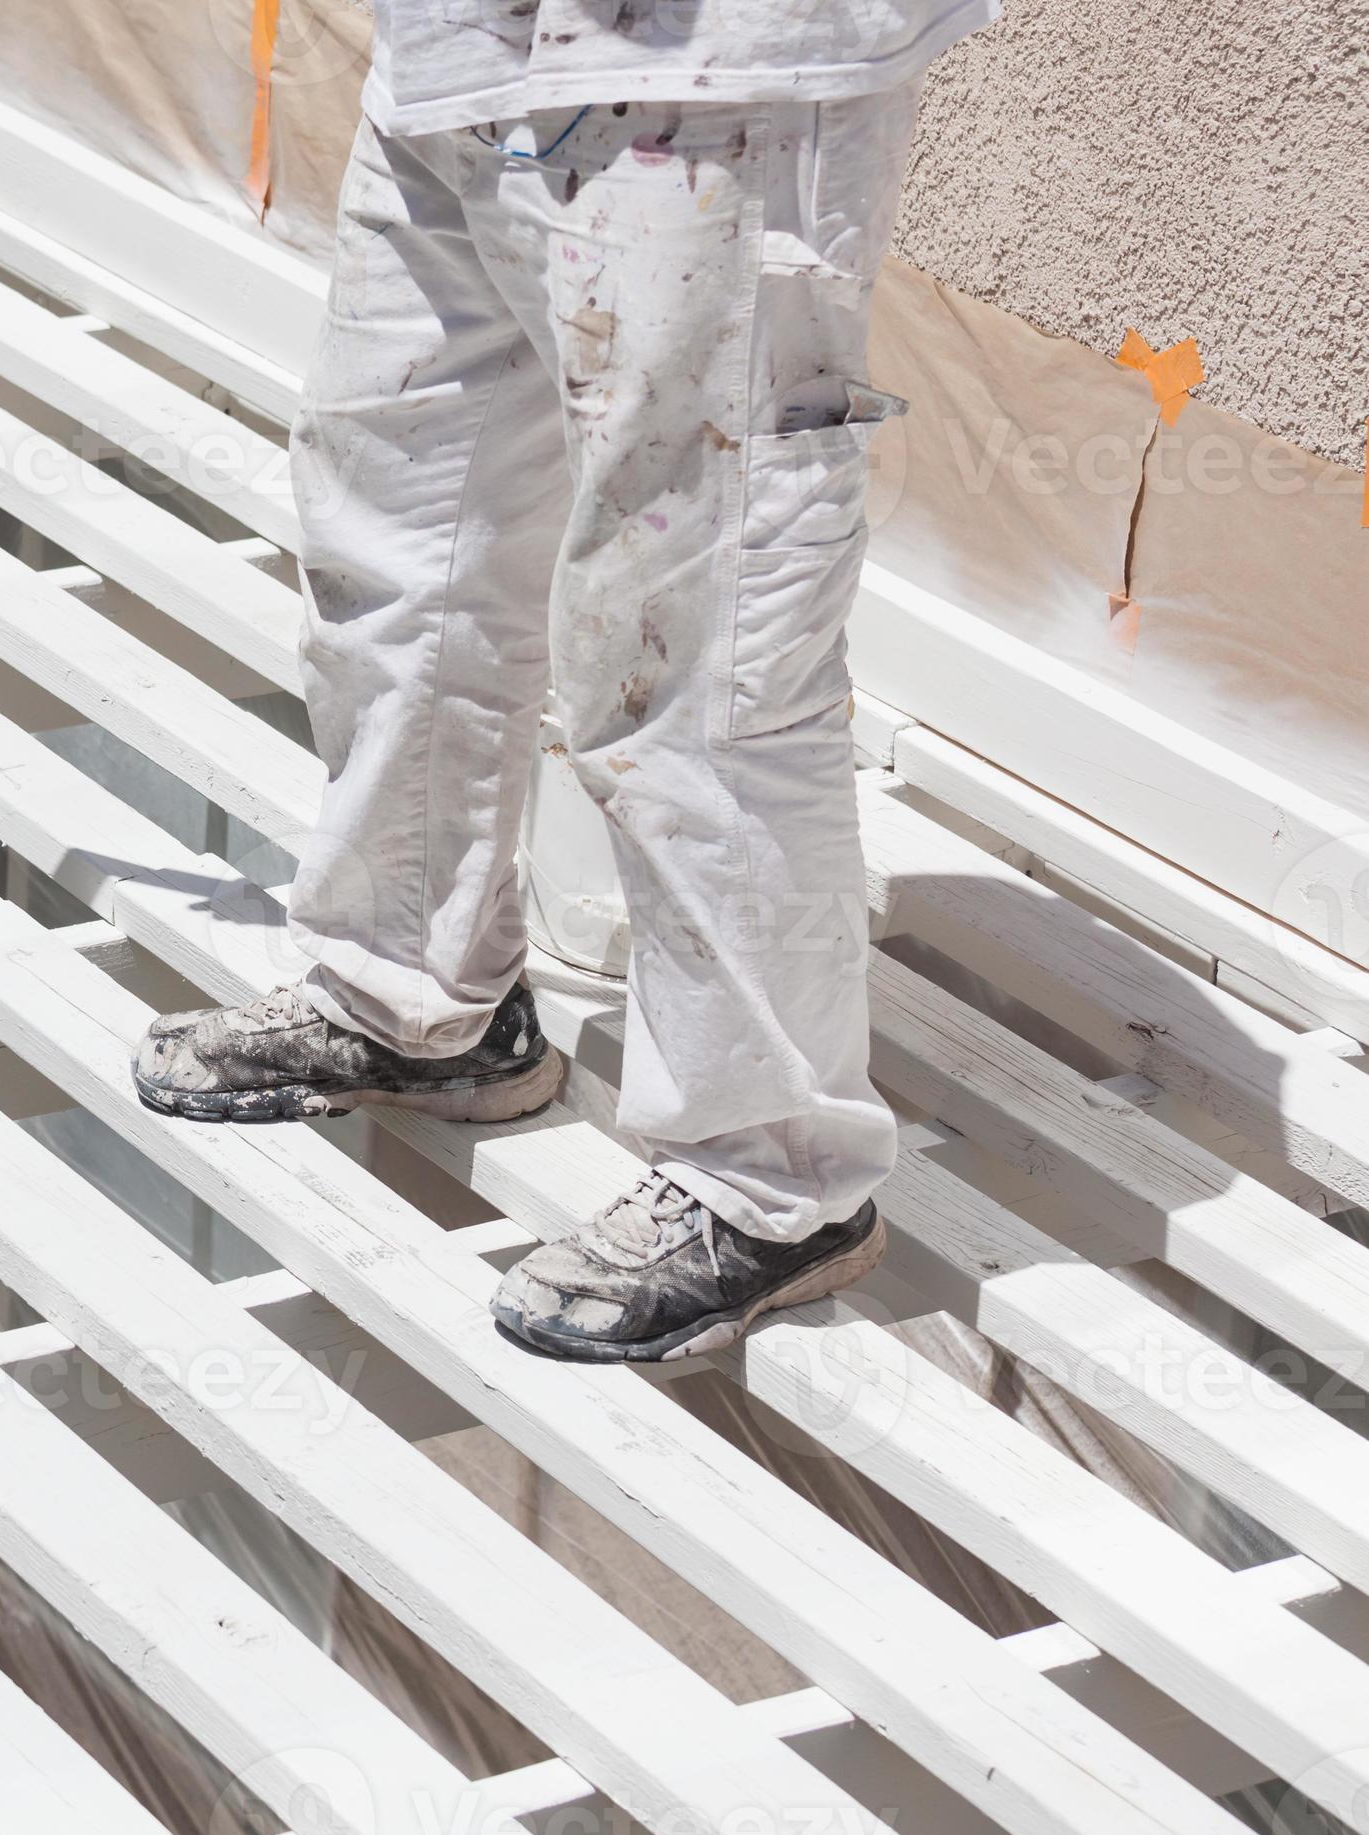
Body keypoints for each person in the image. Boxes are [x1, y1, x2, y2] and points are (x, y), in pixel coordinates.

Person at [134, 0, 997, 1363]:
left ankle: (768, 1177)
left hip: (708, 68)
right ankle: (408, 996)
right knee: (399, 533)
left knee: (692, 619)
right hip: (457, 49)